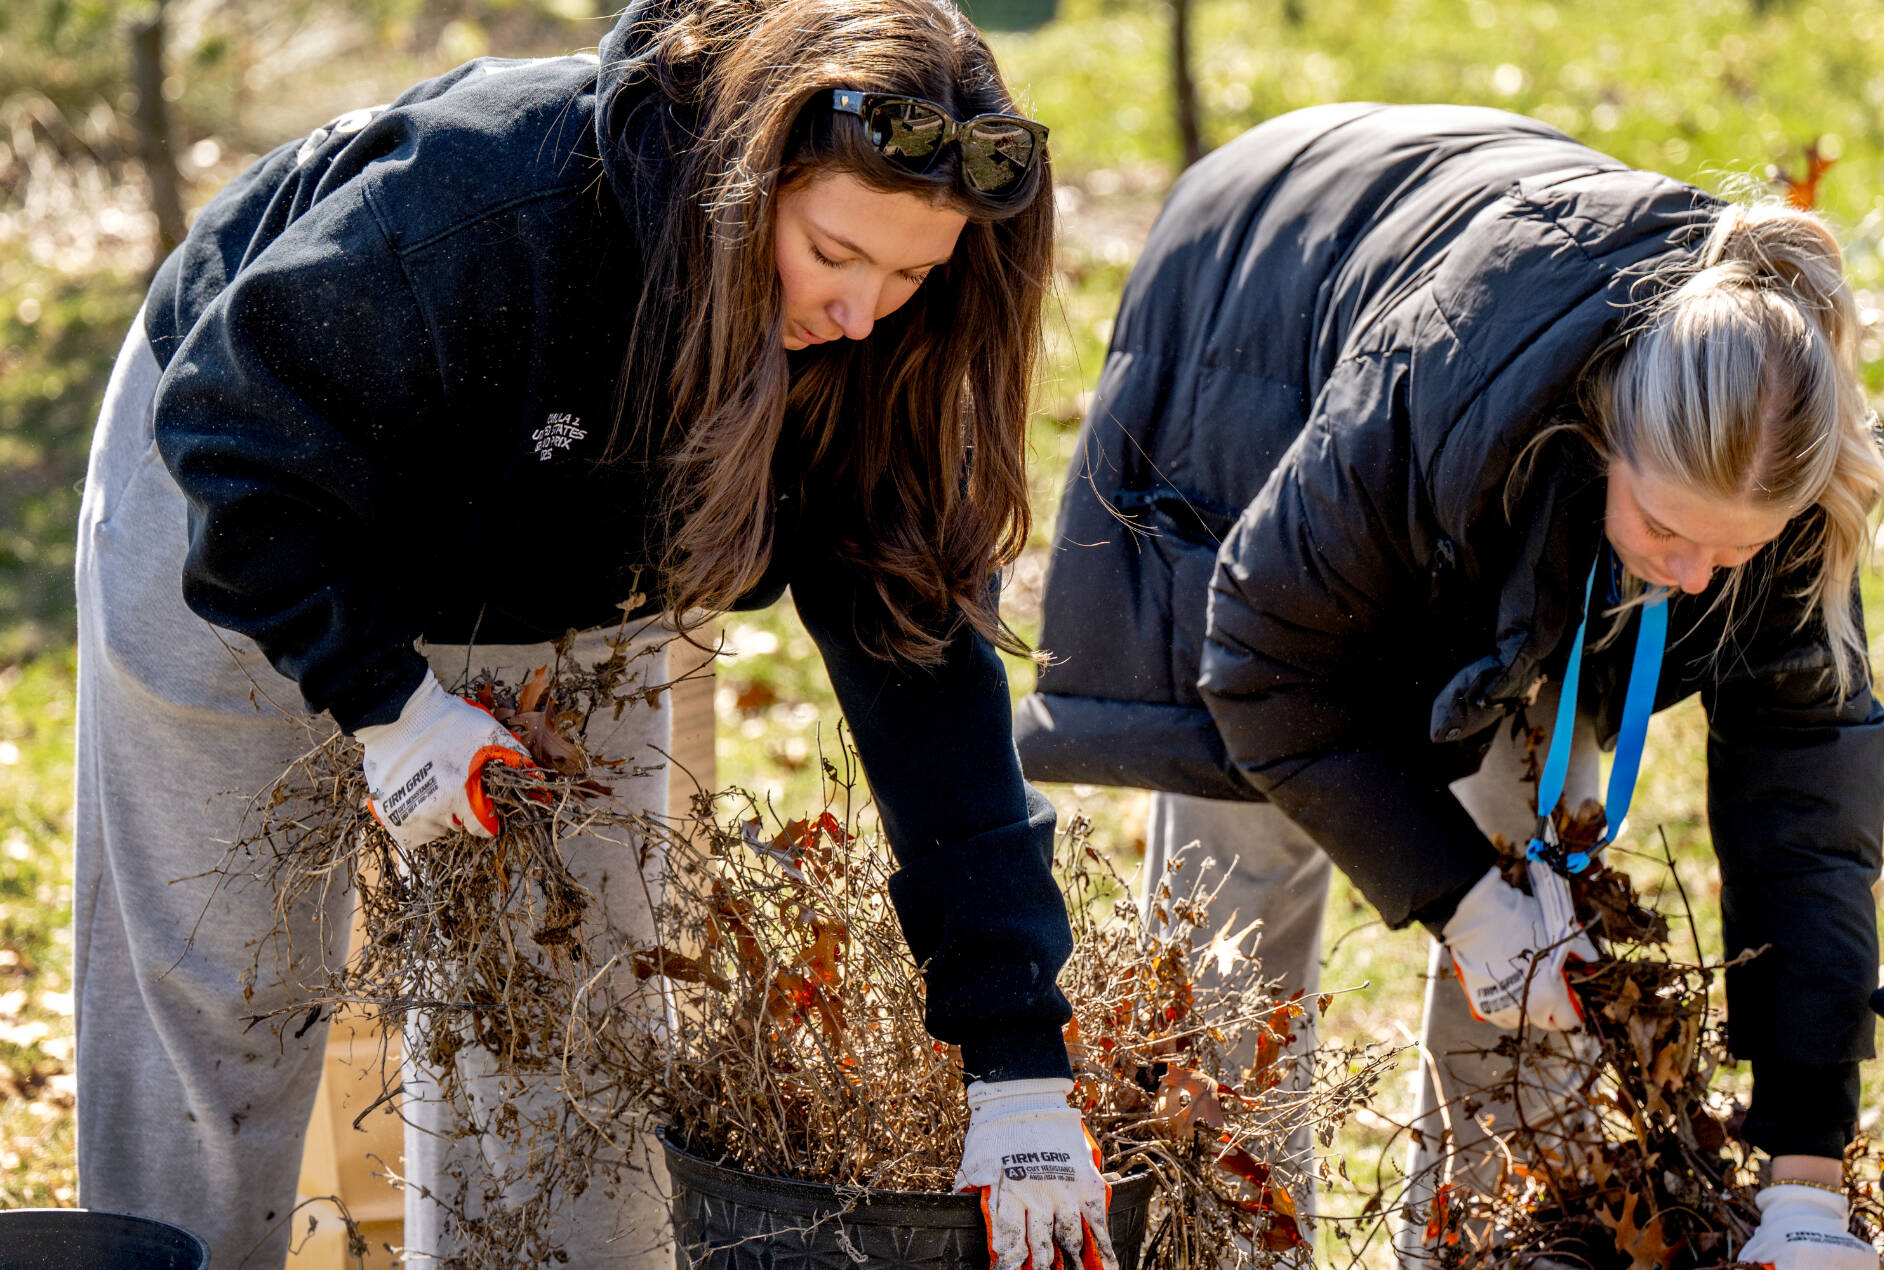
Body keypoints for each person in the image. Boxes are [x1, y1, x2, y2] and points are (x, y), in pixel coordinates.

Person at [73, 2, 1114, 1267]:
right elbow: (237, 442)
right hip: (259, 493)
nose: (860, 309)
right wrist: (386, 701)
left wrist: (1017, 1061)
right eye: (836, 252)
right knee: (221, 996)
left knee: (568, 1030)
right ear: (743, 184)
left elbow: (921, 674)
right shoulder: (489, 209)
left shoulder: (872, 353)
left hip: (560, 563)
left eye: (910, 274)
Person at [1017, 103, 1884, 1268]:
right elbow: (1265, 671)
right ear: (1601, 433)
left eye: (1726, 554)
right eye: (1667, 530)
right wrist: (1456, 895)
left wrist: (1803, 1180)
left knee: (1544, 897)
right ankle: (1220, 1242)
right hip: (1259, 307)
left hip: (1495, 447)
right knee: (1248, 852)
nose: (1689, 576)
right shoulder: (1438, 377)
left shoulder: (1783, 475)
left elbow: (1805, 824)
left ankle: (1471, 1245)